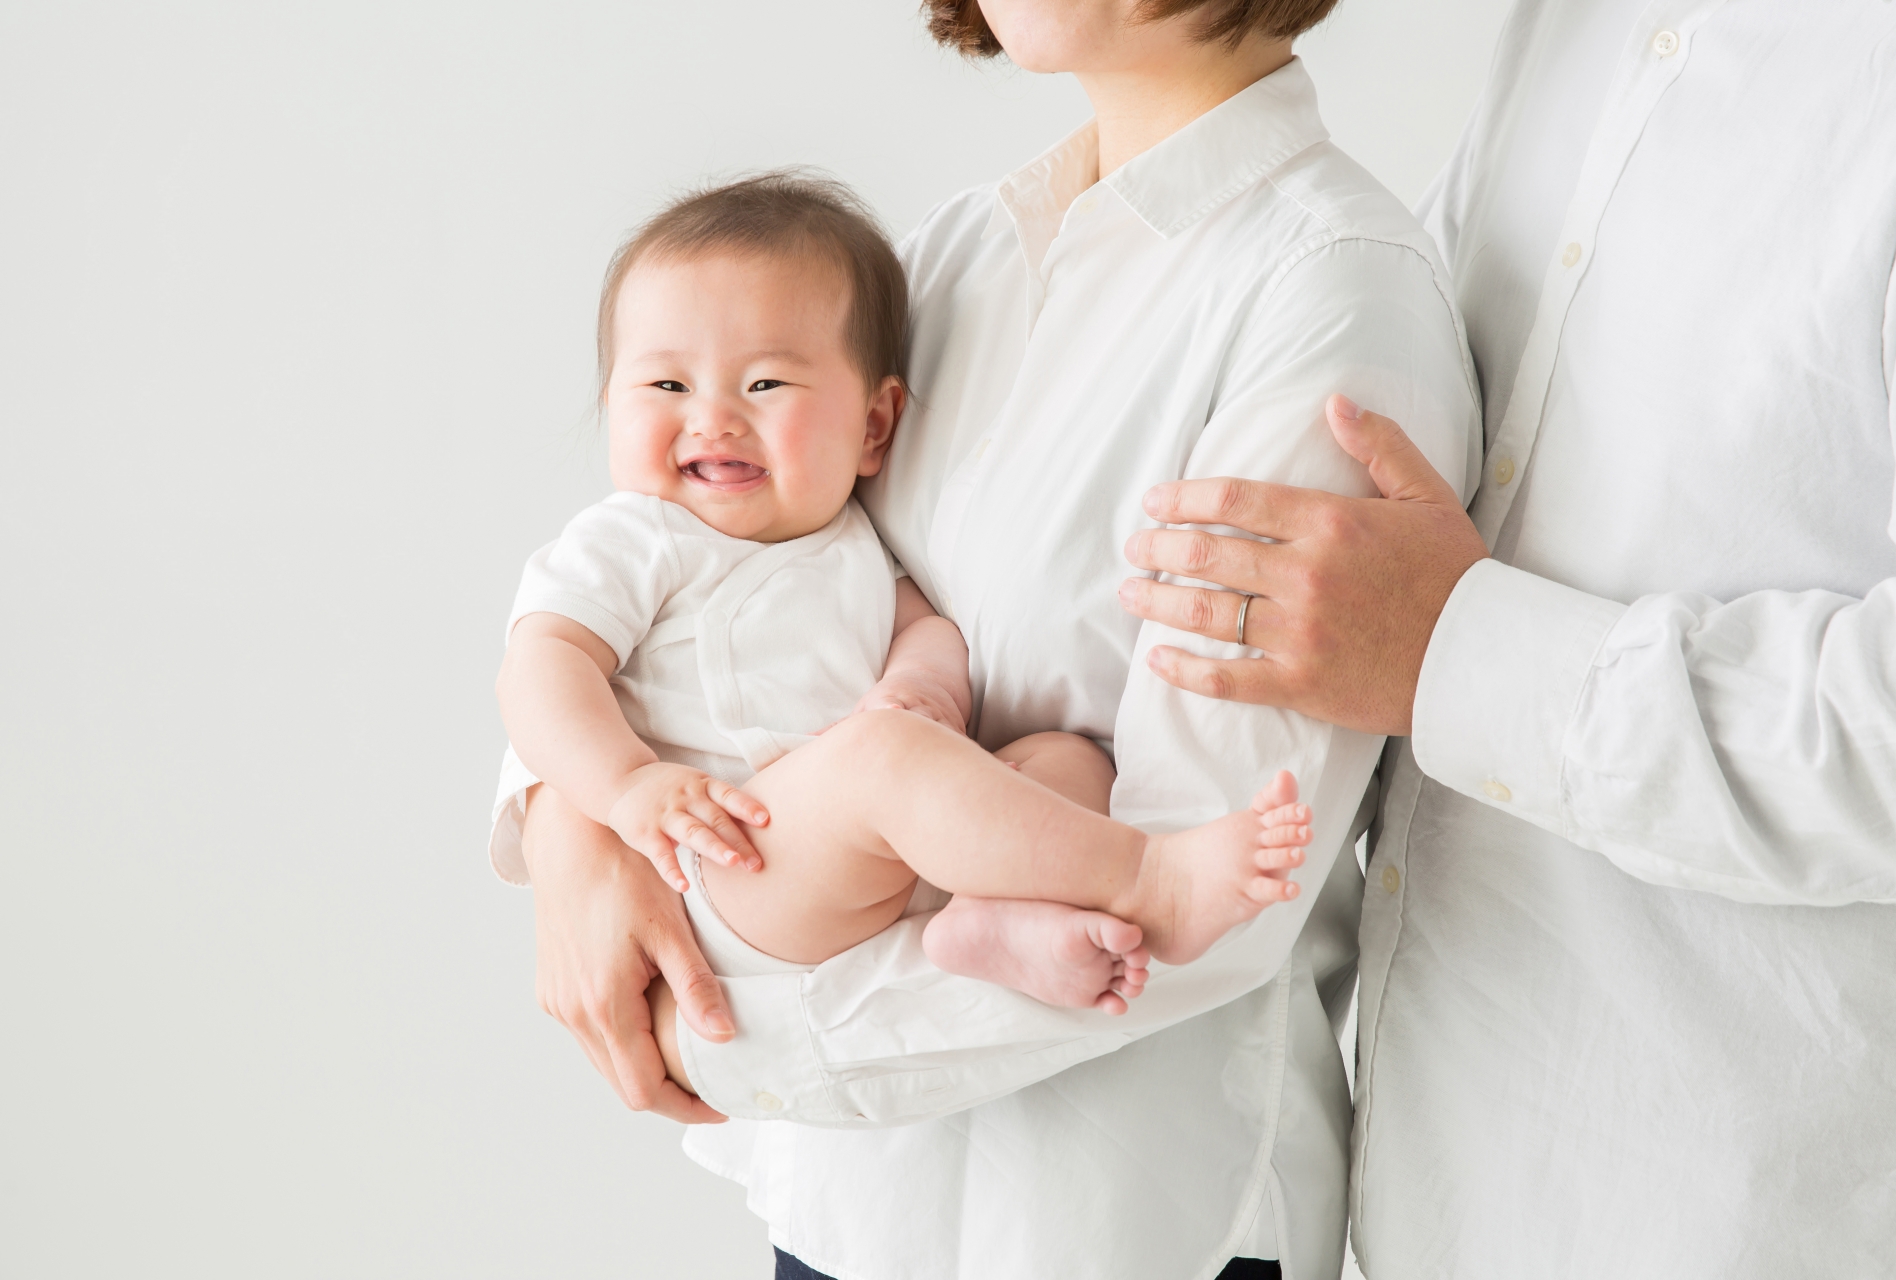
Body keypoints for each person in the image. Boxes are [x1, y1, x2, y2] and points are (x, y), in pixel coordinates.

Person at [512, 1, 1479, 1277]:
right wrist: (568, 829)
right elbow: (696, 567)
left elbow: (1219, 887)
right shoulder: (964, 253)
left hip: (1098, 1219)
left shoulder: (1325, 294)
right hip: (848, 1207)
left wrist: (712, 1018)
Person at [1118, 1, 1896, 1275]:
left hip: (1743, 1221)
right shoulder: (1580, 22)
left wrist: (1460, 651)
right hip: (1419, 1193)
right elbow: (1385, 514)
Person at [493, 173, 1315, 1021]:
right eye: (668, 387)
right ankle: (1154, 881)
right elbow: (540, 668)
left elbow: (925, 630)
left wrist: (922, 687)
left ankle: (995, 922)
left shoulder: (855, 541)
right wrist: (627, 787)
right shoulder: (635, 536)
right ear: (611, 405)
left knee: (1064, 762)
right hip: (728, 864)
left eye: (765, 384)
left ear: (875, 428)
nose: (713, 419)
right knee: (884, 760)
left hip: (862, 861)